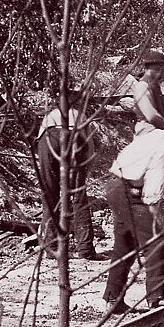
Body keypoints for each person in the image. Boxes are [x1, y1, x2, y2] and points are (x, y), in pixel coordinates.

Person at [103, 111, 164, 313]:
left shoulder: (155, 136)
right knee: (157, 239)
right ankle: (155, 297)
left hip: (117, 186)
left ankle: (113, 300)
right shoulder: (160, 147)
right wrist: (160, 221)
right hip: (125, 190)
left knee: (125, 245)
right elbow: (153, 192)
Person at [35, 87, 106, 261]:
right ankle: (86, 250)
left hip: (48, 140)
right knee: (79, 198)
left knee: (50, 196)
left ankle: (52, 248)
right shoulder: (80, 116)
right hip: (72, 139)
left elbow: (40, 148)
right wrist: (83, 173)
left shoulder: (49, 117)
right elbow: (88, 150)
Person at [131, 49, 164, 136]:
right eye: (158, 69)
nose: (161, 72)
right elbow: (152, 116)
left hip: (157, 130)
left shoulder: (154, 85)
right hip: (146, 130)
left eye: (162, 69)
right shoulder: (142, 86)